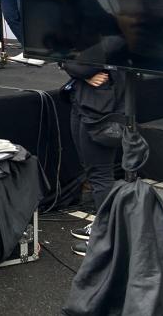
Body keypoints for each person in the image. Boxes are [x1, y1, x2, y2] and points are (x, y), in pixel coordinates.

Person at [63, 62, 125, 257]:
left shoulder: (110, 33)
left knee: (100, 174)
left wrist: (71, 65)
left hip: (102, 107)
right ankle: (102, 224)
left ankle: (107, 238)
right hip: (83, 100)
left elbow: (84, 64)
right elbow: (61, 53)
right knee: (90, 169)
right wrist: (78, 70)